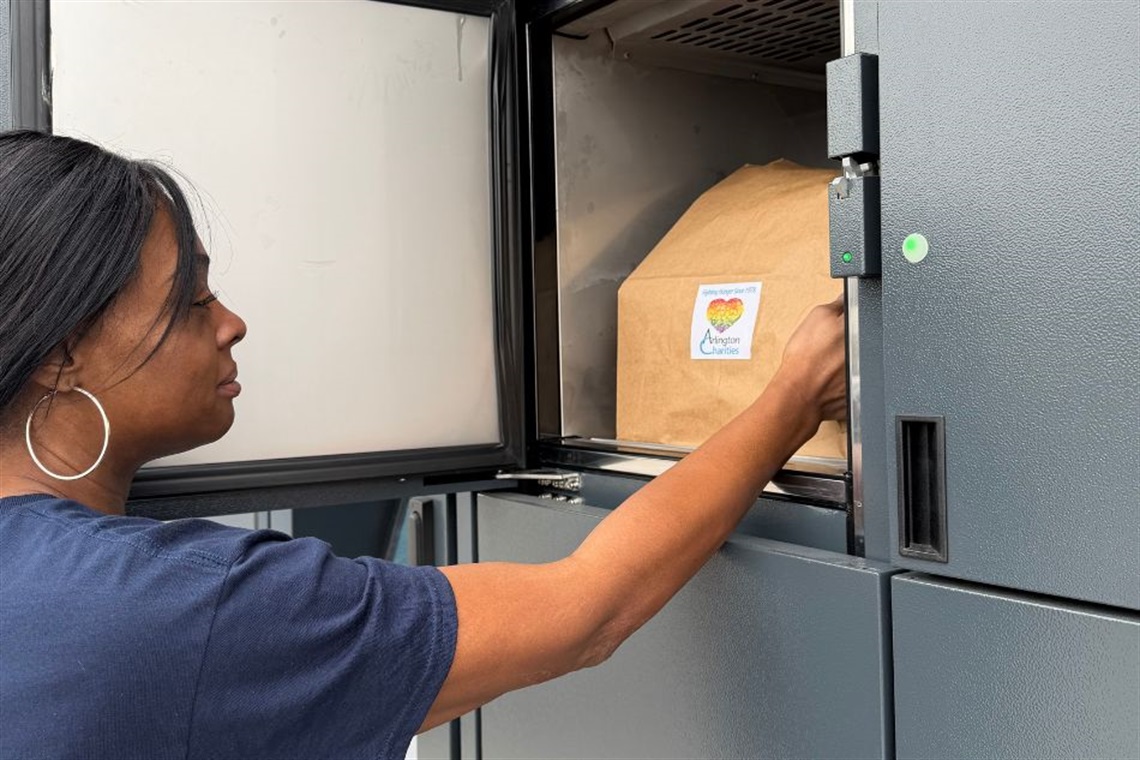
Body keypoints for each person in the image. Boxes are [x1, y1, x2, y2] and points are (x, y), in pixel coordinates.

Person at [0, 130, 847, 759]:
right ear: (62, 349)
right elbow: (588, 608)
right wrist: (789, 401)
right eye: (191, 300)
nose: (232, 323)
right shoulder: (180, 606)